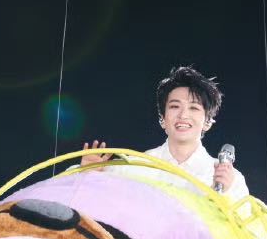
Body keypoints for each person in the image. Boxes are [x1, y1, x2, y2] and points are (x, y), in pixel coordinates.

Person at [82, 65, 249, 200]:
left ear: (207, 121)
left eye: (194, 108)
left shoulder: (229, 178)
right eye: (175, 106)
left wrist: (224, 193)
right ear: (162, 118)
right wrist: (88, 175)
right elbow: (93, 205)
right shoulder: (135, 166)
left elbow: (245, 227)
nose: (183, 115)